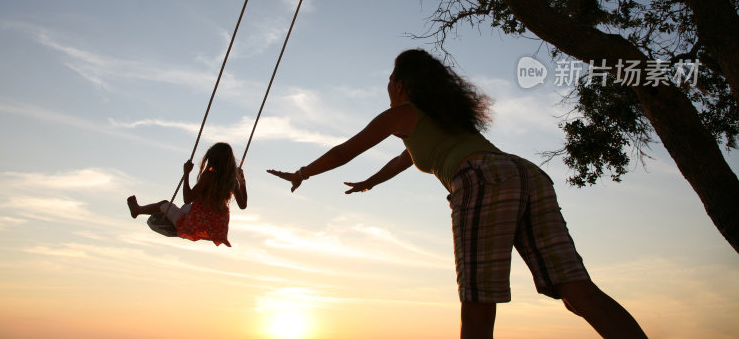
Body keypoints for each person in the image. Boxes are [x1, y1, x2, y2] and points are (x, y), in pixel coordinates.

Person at [268, 49, 647, 339]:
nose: (387, 88)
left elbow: (344, 151)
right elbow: (405, 159)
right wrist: (370, 182)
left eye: (389, 81)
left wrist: (303, 172)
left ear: (401, 85)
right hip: (524, 174)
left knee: (478, 298)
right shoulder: (443, 119)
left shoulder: (401, 113)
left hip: (482, 179)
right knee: (576, 290)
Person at [128, 142, 247, 246]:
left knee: (164, 205)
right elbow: (243, 205)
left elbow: (188, 198)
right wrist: (242, 183)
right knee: (186, 208)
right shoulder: (231, 181)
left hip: (194, 224)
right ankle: (173, 222)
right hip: (217, 229)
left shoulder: (209, 176)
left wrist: (186, 174)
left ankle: (137, 210)